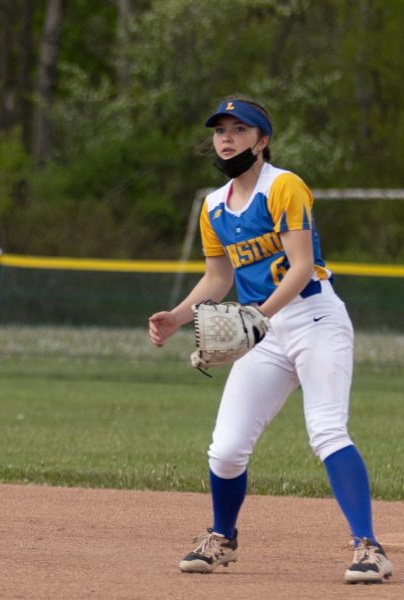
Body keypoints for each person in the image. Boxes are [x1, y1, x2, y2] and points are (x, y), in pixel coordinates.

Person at [148, 95, 393, 584]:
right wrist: (177, 317)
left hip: (314, 318)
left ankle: (369, 548)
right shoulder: (214, 206)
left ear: (262, 141)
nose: (227, 138)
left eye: (240, 129)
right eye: (221, 130)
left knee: (326, 430)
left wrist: (259, 314)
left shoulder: (284, 187)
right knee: (226, 449)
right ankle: (222, 538)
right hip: (265, 329)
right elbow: (218, 277)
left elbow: (301, 267)